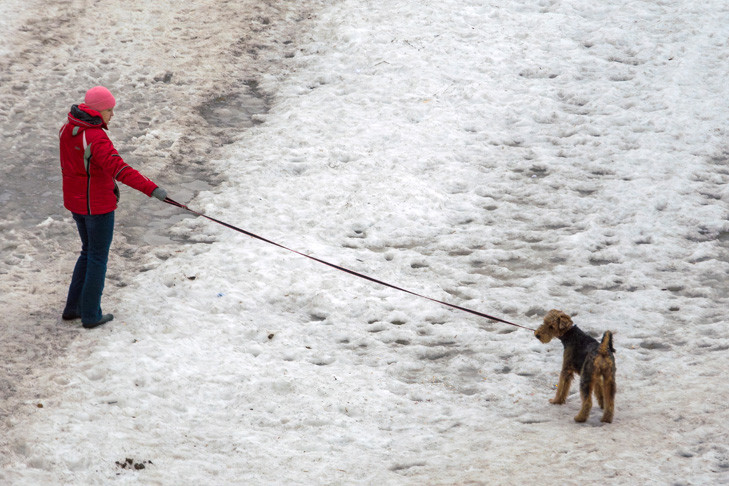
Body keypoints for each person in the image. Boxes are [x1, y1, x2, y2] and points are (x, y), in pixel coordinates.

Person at [59, 86, 168, 328]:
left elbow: (79, 167)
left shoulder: (68, 128)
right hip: (97, 206)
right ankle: (91, 315)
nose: (112, 115)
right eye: (109, 110)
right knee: (97, 257)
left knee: (87, 252)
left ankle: (73, 308)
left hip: (76, 203)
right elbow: (120, 169)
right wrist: (153, 189)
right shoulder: (95, 136)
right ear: (98, 110)